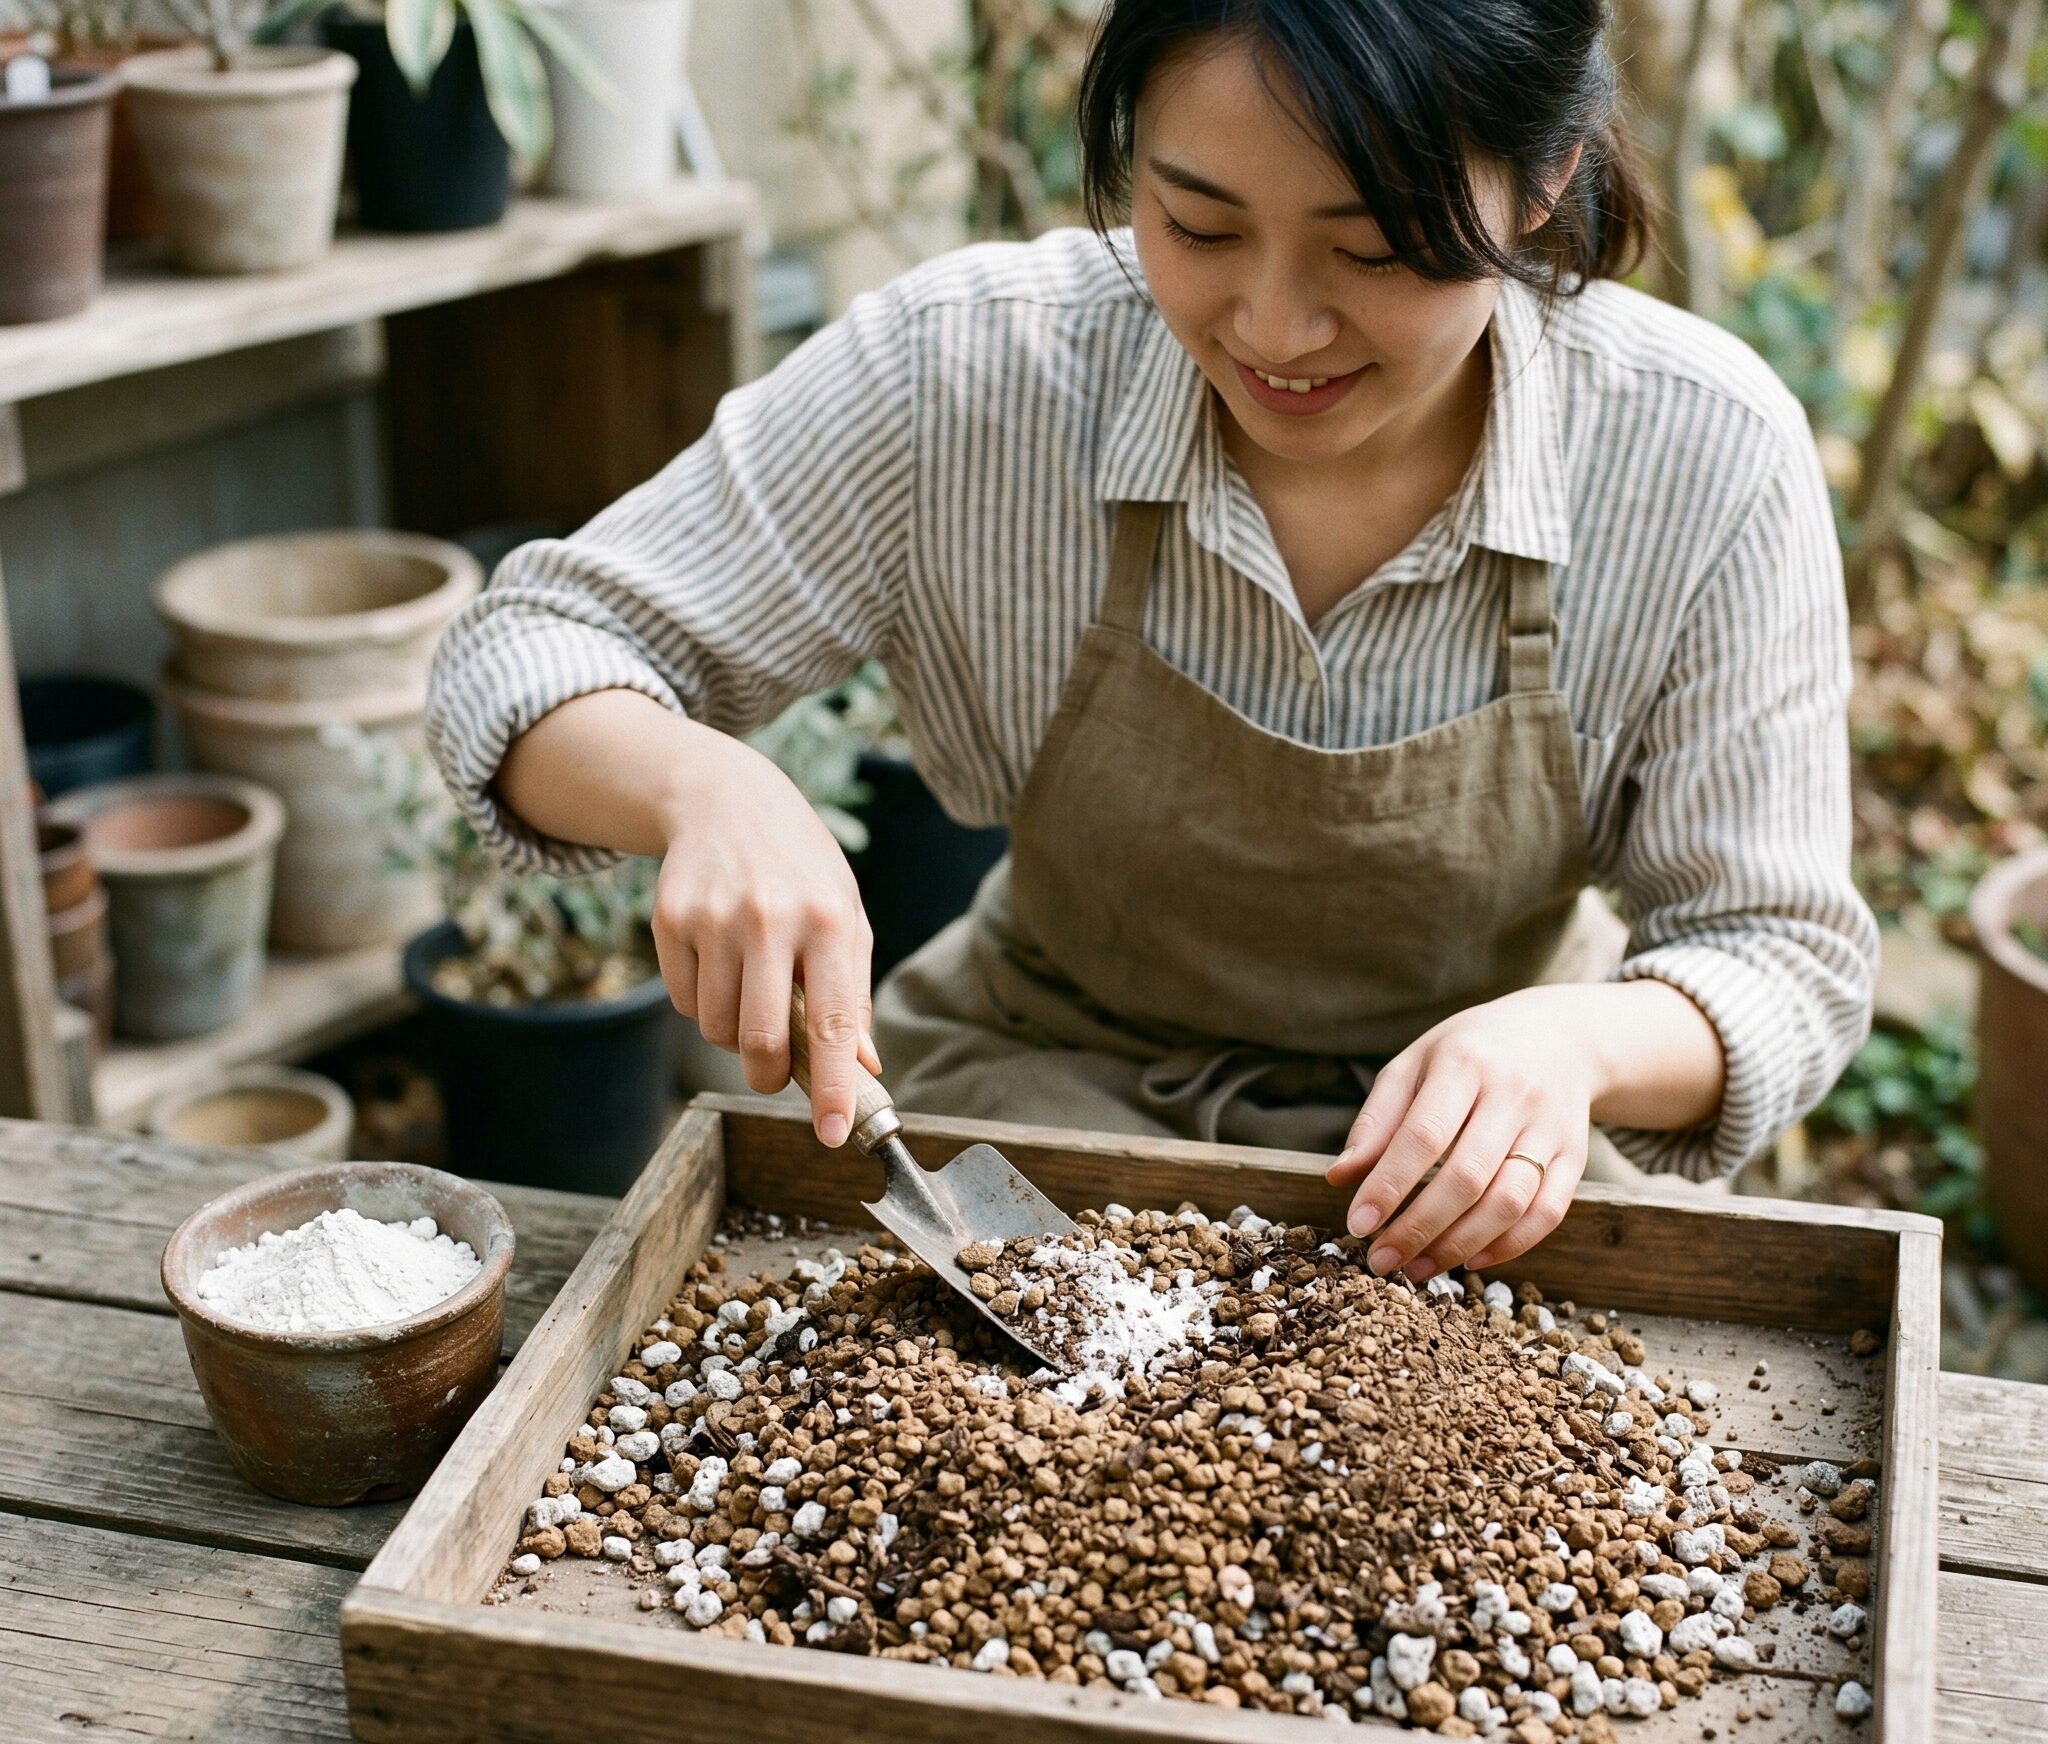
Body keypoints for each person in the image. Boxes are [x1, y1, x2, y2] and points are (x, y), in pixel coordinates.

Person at [426, 0, 1876, 1288]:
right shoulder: (974, 371)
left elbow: (1781, 958)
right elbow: (528, 646)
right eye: (1199, 227)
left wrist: (1574, 1046)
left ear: (1544, 175)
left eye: (1375, 247)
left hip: (1479, 1175)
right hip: (1035, 1097)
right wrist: (703, 787)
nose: (1277, 327)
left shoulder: (1700, 451)